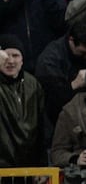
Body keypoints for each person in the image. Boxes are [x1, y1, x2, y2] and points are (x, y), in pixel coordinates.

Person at [0, 34, 45, 167]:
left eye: (15, 56)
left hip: (29, 164)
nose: (11, 61)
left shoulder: (33, 84)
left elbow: (42, 126)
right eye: (6, 56)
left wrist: (41, 164)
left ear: (22, 60)